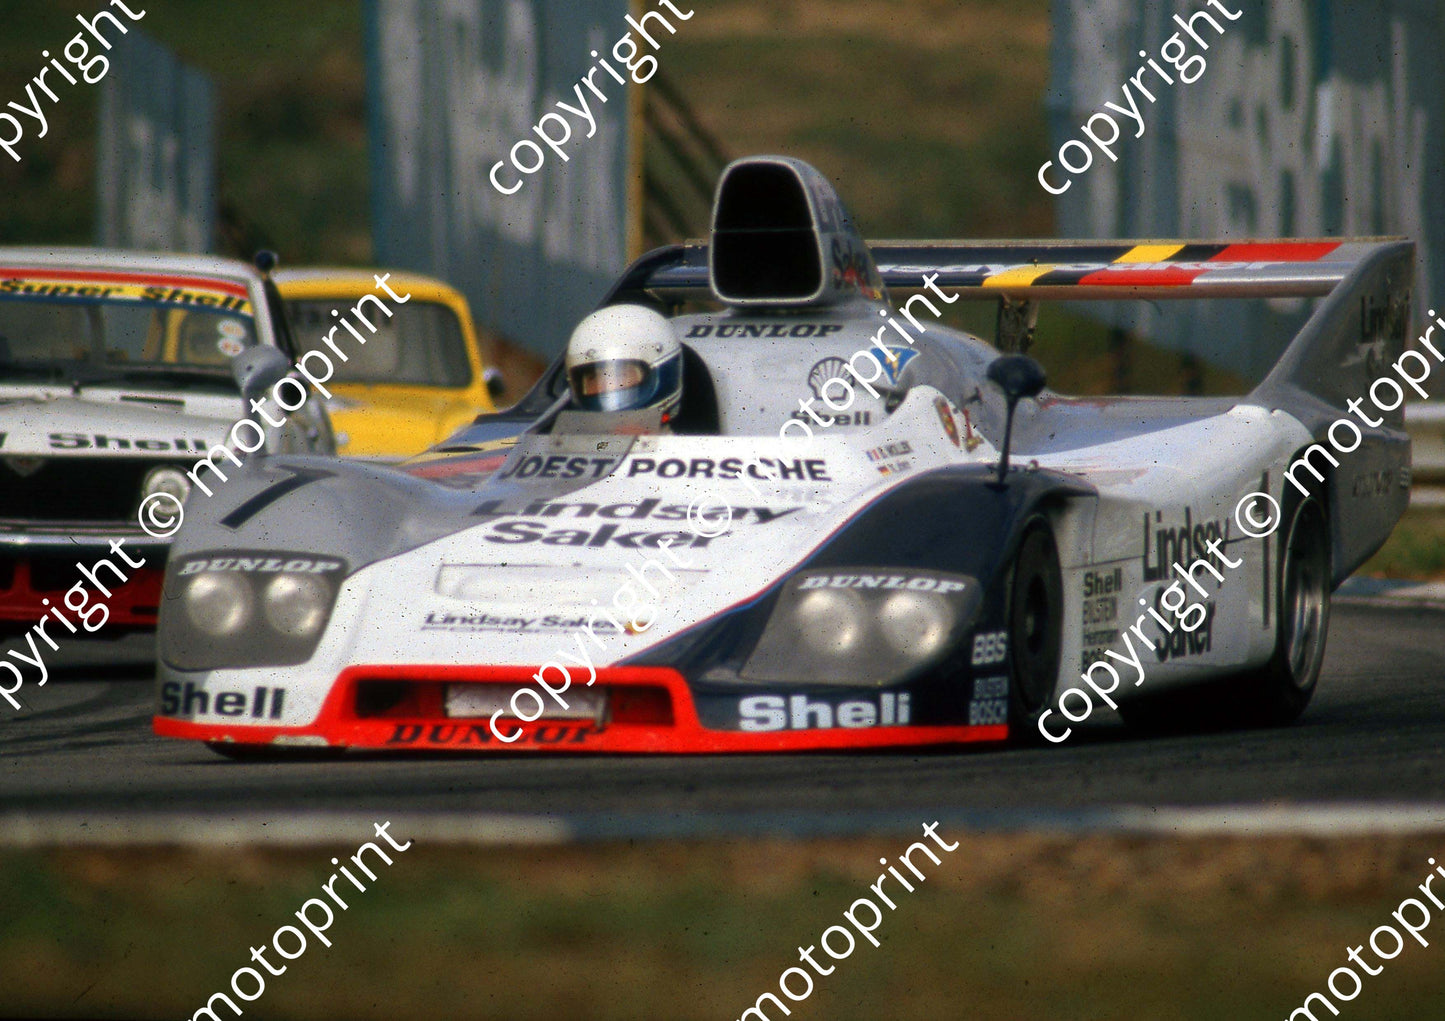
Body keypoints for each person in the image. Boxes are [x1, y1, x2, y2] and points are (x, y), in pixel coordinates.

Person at [564, 304, 682, 423]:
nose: (605, 386)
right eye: (593, 378)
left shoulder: (691, 442)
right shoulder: (564, 440)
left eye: (619, 374)